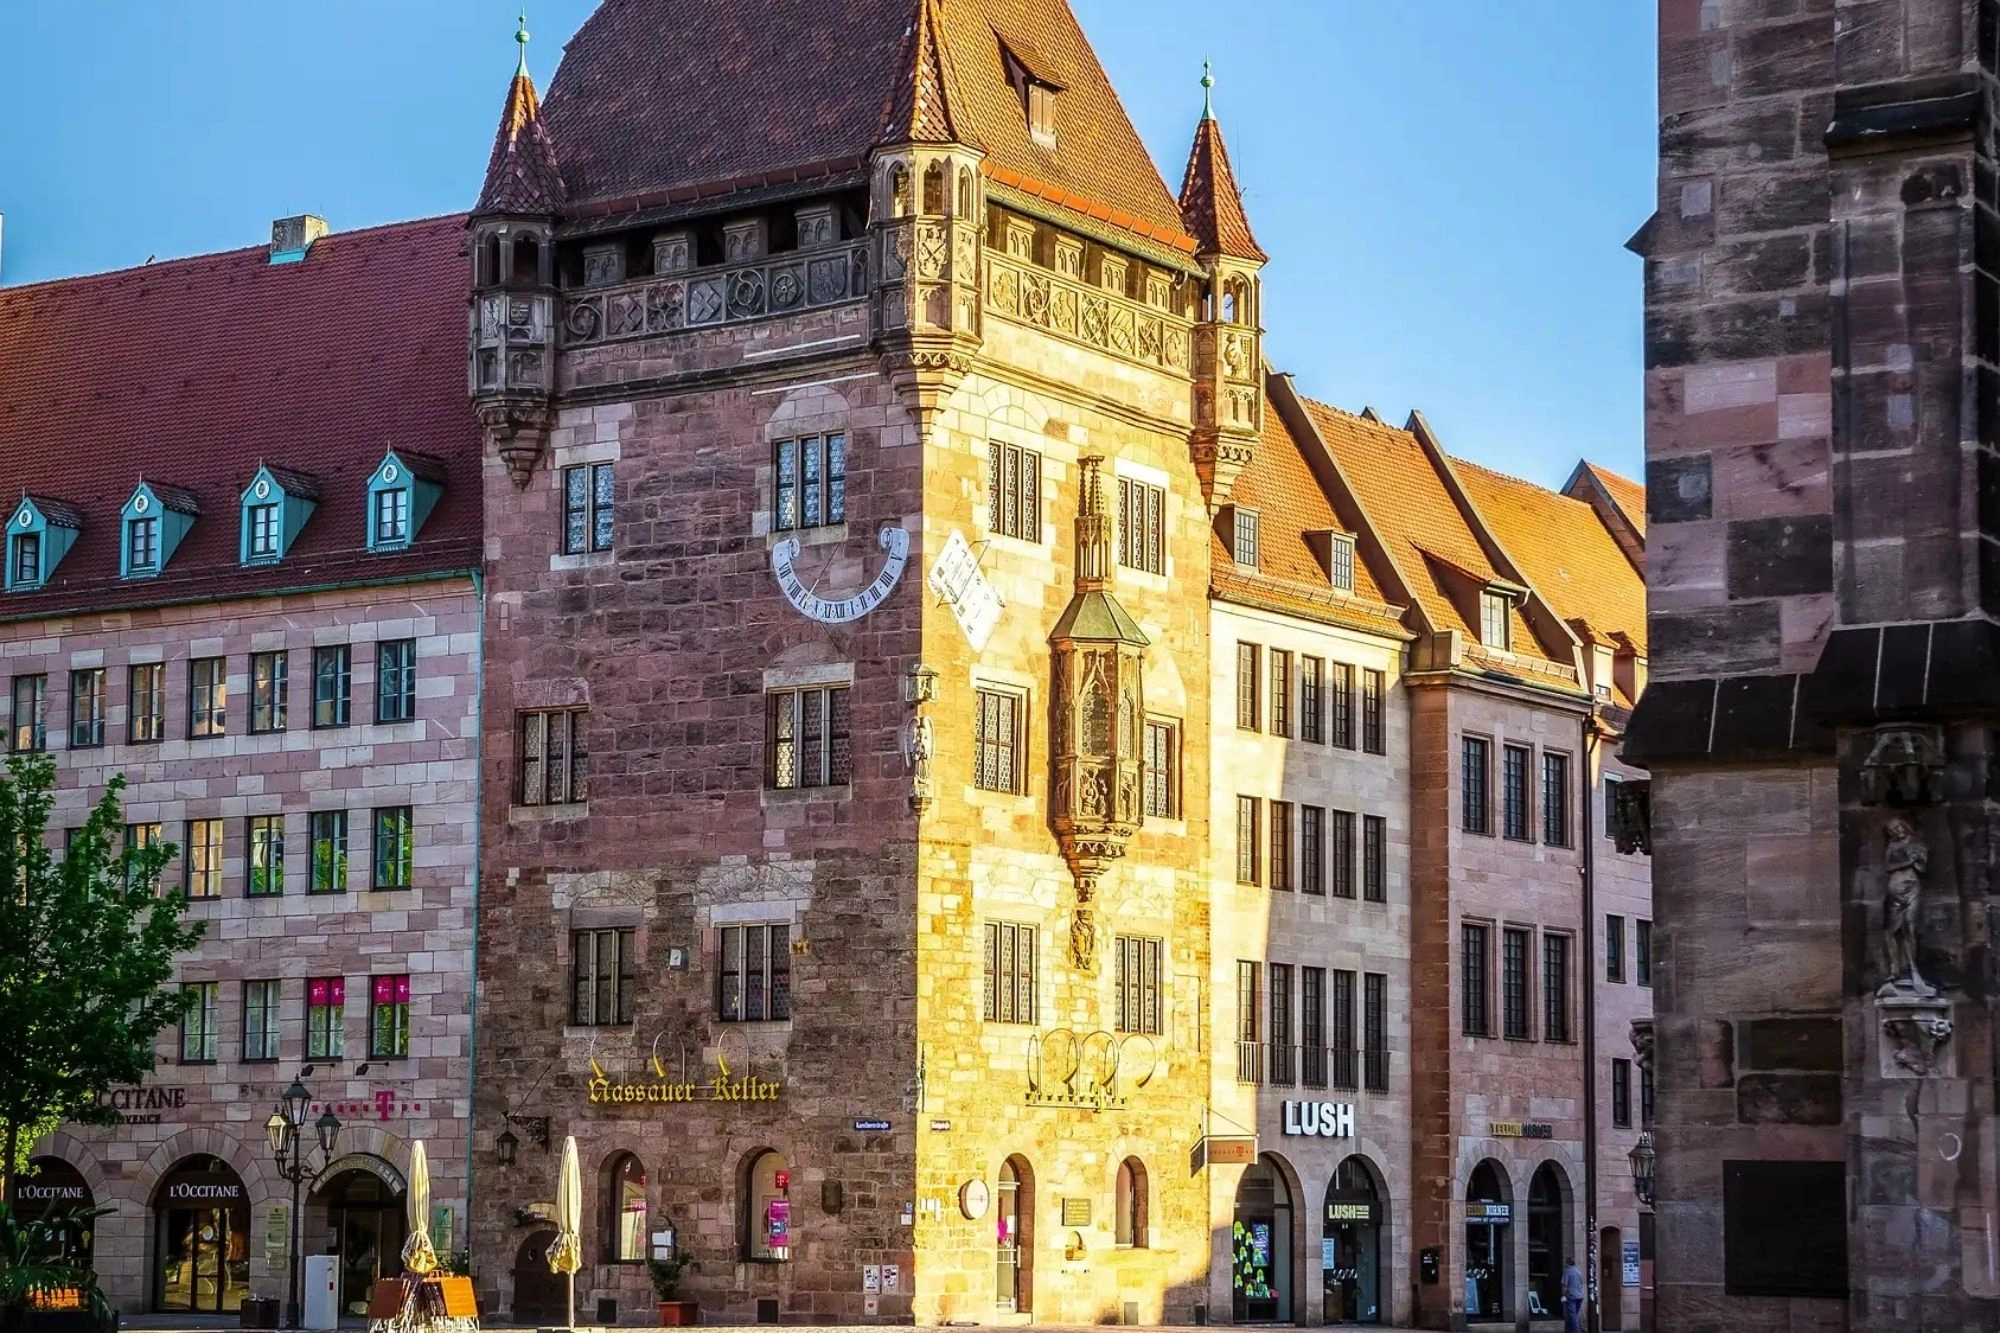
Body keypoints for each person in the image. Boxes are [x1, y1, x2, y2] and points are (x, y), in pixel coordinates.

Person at [1561, 1255, 1585, 1333]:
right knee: (1573, 1314)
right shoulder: (1578, 1271)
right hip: (1579, 1296)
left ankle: (1575, 1331)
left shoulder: (1567, 1271)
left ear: (1567, 1263)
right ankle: (1568, 1330)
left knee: (1572, 1316)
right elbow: (1581, 1283)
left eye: (1566, 1262)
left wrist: (1563, 1295)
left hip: (1571, 1296)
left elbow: (1565, 1285)